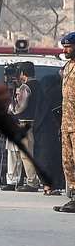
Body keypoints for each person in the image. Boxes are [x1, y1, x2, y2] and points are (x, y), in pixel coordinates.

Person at [6, 61, 41, 192]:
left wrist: (10, 106)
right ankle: (33, 180)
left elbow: (19, 108)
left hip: (24, 123)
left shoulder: (25, 88)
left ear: (22, 73)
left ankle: (32, 181)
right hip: (35, 123)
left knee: (26, 155)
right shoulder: (38, 85)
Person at [57, 32, 75, 213]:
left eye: (68, 46)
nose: (65, 50)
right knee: (67, 162)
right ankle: (73, 197)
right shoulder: (68, 66)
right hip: (67, 124)